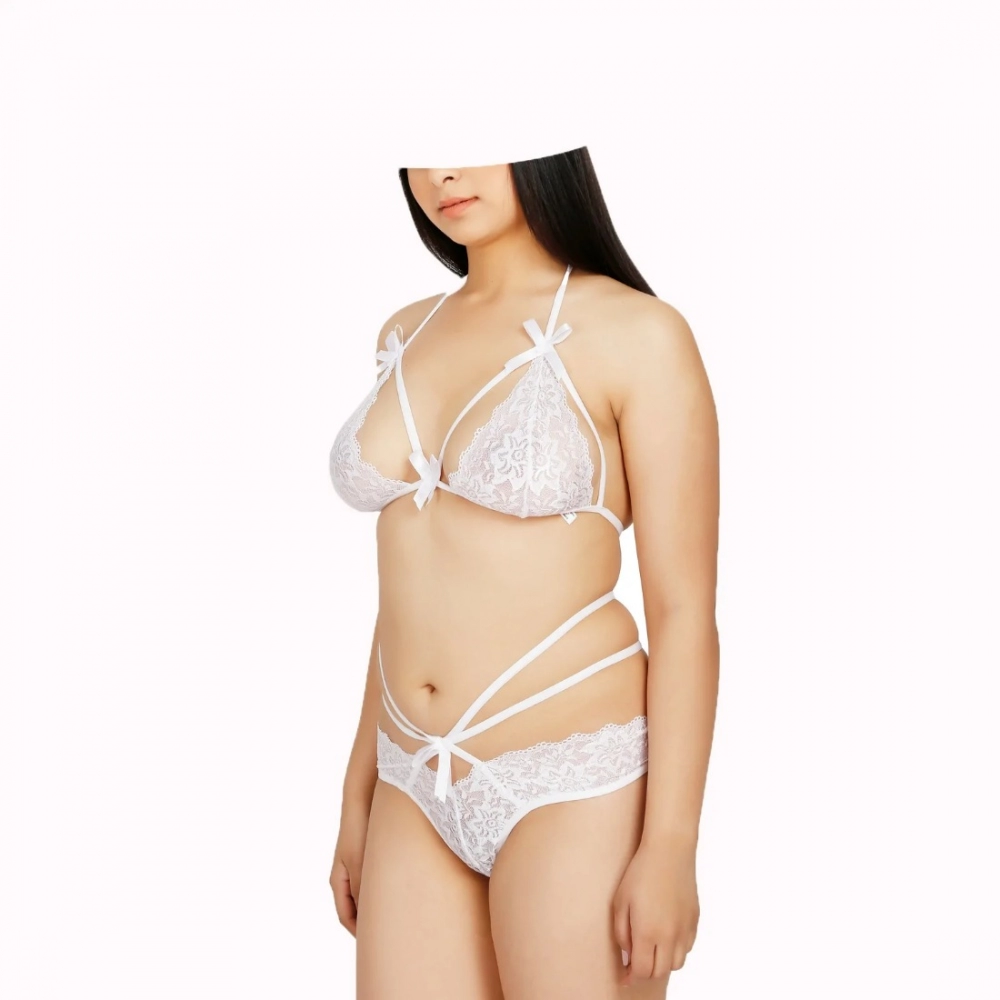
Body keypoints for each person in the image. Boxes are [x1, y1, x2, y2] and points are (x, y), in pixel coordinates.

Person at [328, 147, 719, 999]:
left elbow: (684, 610)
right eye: (422, 146)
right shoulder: (406, 330)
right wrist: (358, 790)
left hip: (574, 775)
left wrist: (672, 845)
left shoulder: (640, 334)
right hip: (413, 777)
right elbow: (410, 589)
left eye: (474, 137)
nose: (443, 172)